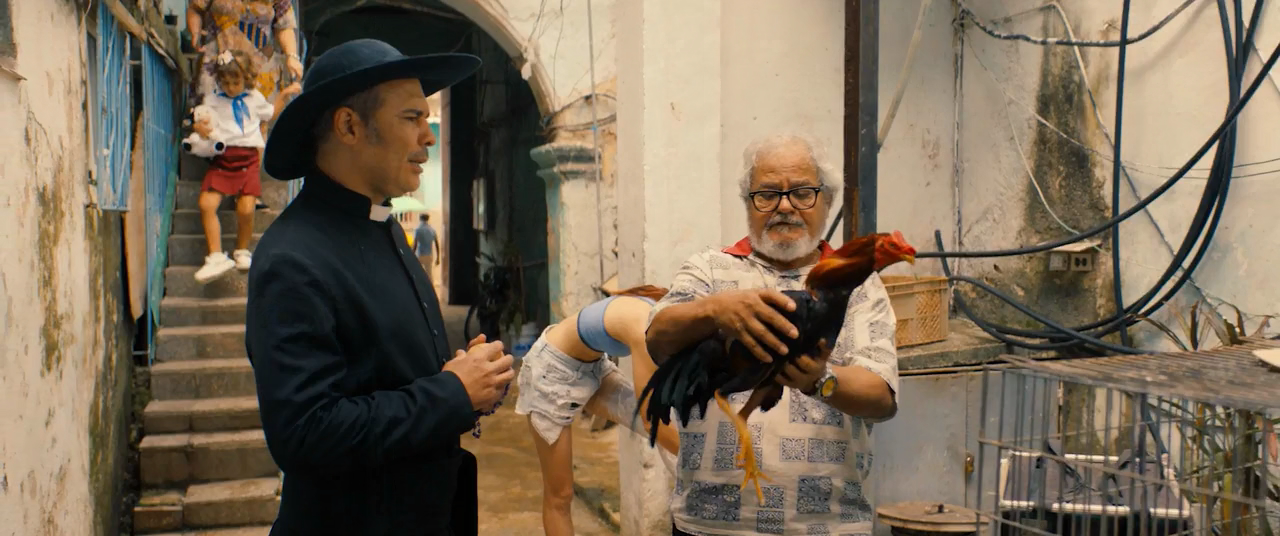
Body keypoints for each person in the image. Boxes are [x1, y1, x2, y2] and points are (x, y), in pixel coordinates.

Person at [245, 39, 512, 536]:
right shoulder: (293, 258)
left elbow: (388, 378)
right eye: (412, 118)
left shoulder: (384, 226)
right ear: (349, 126)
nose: (428, 136)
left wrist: (471, 381)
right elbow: (305, 434)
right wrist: (451, 392)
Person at [645, 134, 900, 536]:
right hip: (710, 525)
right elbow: (657, 335)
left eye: (802, 193)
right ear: (748, 203)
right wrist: (715, 309)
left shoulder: (860, 286)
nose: (784, 206)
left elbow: (882, 397)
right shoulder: (709, 269)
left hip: (826, 526)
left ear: (826, 201)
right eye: (767, 194)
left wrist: (821, 380)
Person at [514, 285, 680, 536]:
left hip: (593, 369)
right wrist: (701, 460)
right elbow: (651, 420)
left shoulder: (669, 318)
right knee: (560, 495)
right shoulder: (644, 327)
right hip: (550, 373)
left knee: (677, 432)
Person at [192, 50, 298, 283]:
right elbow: (202, 120)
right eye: (226, 82)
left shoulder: (255, 98)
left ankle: (241, 250)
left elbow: (269, 114)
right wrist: (200, 128)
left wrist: (284, 94)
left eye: (236, 82)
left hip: (248, 158)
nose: (231, 88)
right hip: (222, 158)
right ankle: (216, 256)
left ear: (247, 78)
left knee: (246, 209)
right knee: (206, 204)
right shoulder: (212, 100)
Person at [414, 213, 440, 281]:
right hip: (429, 255)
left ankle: (419, 286)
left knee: (418, 273)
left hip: (420, 254)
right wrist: (438, 257)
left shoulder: (417, 230)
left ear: (420, 219)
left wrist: (412, 255)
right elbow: (436, 244)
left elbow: (415, 245)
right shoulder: (432, 230)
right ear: (428, 219)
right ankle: (430, 286)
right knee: (429, 274)